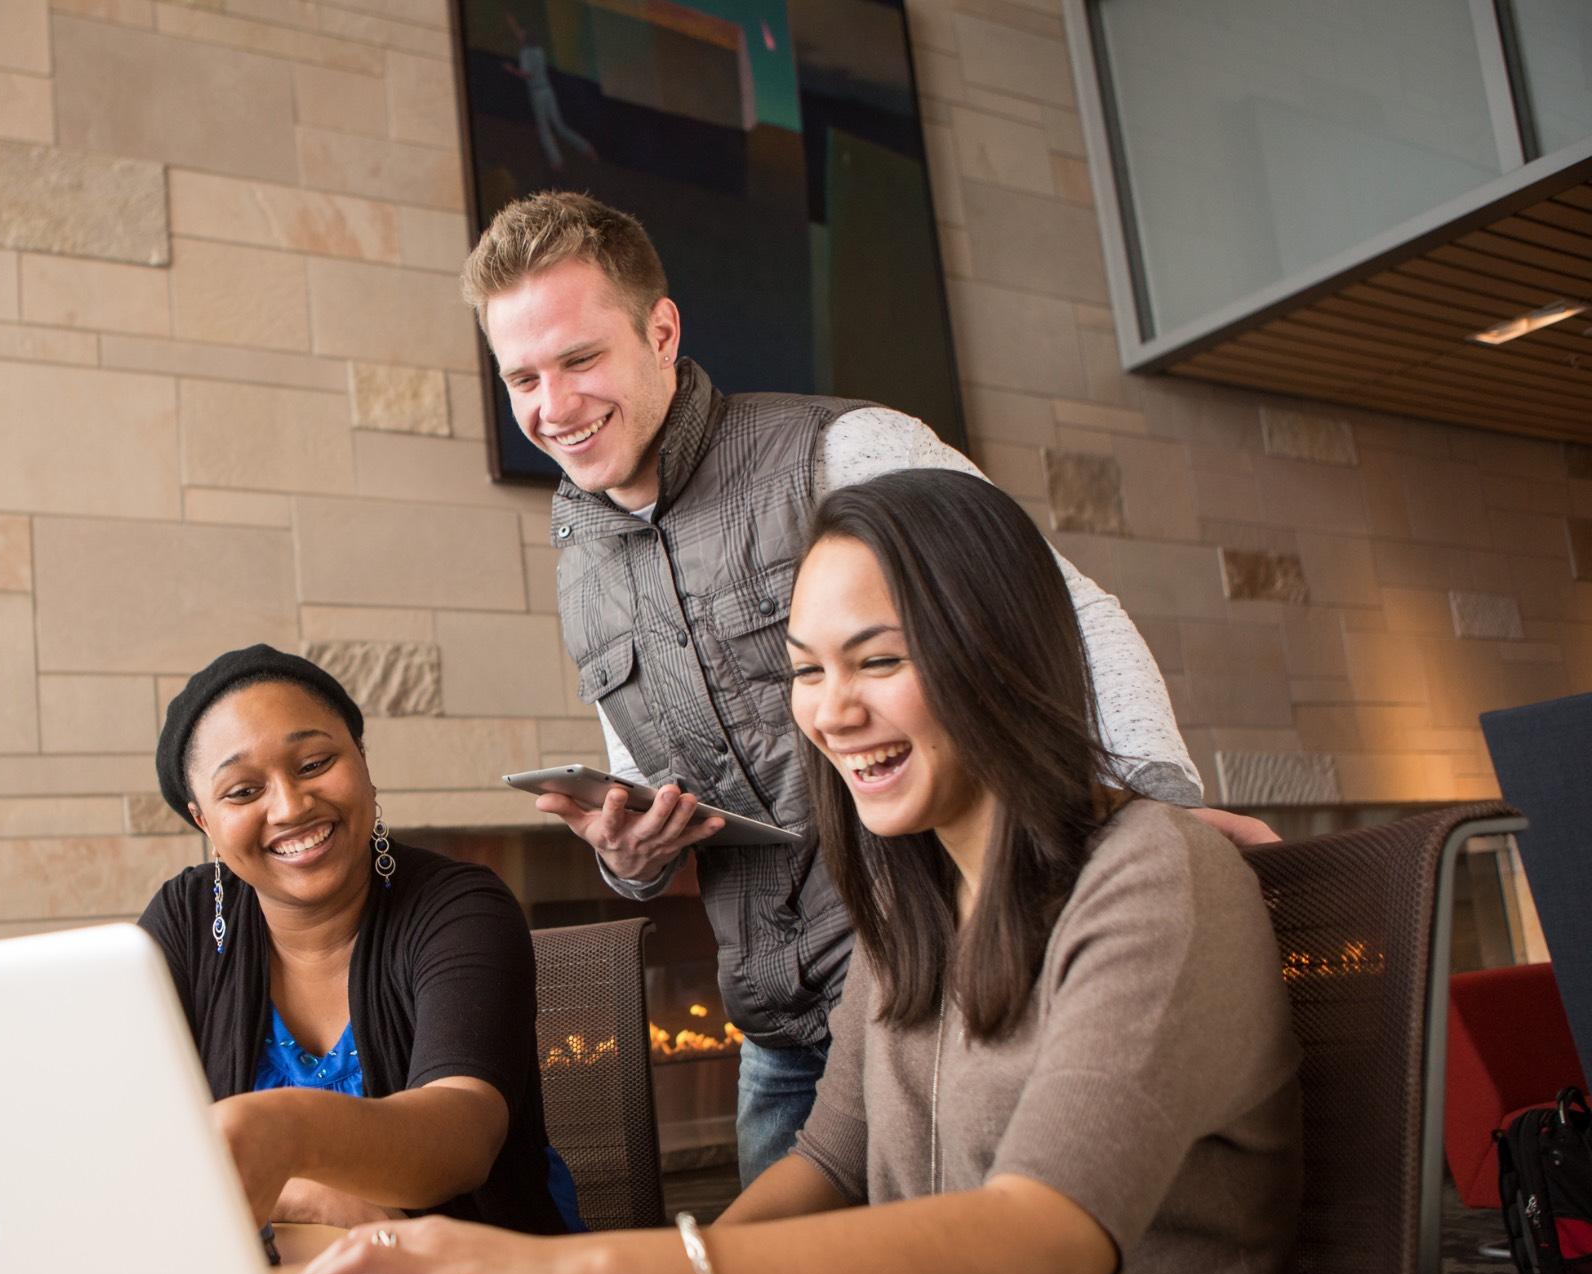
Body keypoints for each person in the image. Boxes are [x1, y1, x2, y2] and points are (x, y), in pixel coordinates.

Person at [281, 469, 1302, 1274]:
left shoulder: (1154, 874)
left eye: (877, 660)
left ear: (997, 654)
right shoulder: (912, 897)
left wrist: (583, 1273)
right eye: (806, 671)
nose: (830, 711)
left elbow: (1042, 1243)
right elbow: (827, 1164)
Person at [459, 191, 1274, 1185]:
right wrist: (629, 853)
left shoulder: (842, 449)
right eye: (522, 379)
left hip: (925, 984)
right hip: (771, 1015)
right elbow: (649, 771)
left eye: (580, 359)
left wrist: (1149, 814)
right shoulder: (577, 553)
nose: (553, 405)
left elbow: (1067, 612)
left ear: (661, 331)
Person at [140, 643, 580, 1235]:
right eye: (243, 792)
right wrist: (303, 1197)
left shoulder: (459, 906)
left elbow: (464, 1135)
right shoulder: (184, 918)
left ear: (364, 764)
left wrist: (288, 1133)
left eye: (315, 763)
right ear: (205, 824)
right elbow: (124, 1135)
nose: (291, 806)